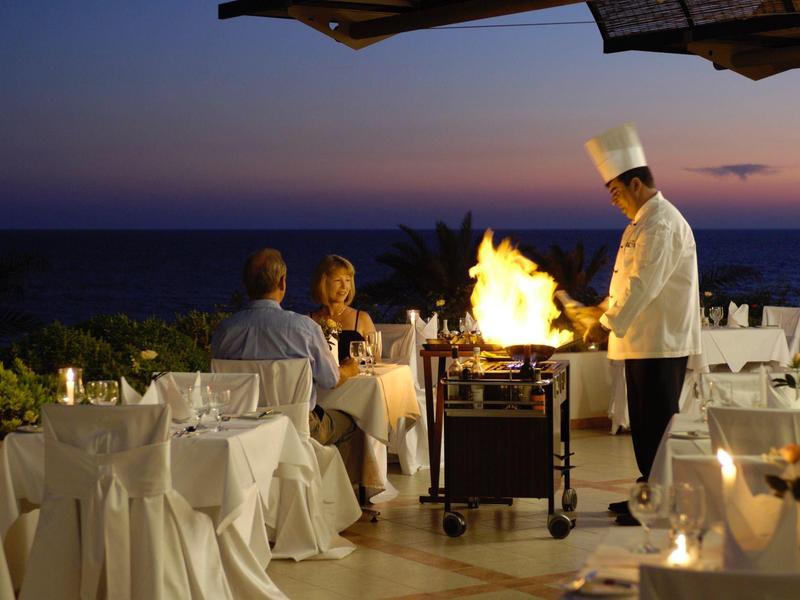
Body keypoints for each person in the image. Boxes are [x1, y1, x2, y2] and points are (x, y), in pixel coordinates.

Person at [572, 123, 701, 525]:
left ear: (636, 185)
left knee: (658, 425)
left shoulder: (661, 222)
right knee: (643, 426)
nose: (614, 202)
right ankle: (648, 493)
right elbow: (628, 284)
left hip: (661, 342)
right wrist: (601, 308)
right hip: (642, 342)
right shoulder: (640, 223)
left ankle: (661, 503)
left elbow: (645, 285)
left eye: (615, 192)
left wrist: (606, 322)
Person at [211, 248, 360, 447]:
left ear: (246, 285)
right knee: (355, 420)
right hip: (297, 429)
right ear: (282, 282)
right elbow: (331, 380)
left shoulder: (224, 331)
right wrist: (348, 370)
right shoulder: (305, 329)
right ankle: (325, 476)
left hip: (239, 430)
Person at [309, 255, 376, 364]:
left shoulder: (362, 319)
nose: (344, 286)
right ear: (323, 283)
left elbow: (375, 361)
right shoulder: (308, 320)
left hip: (361, 381)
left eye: (348, 280)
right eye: (338, 280)